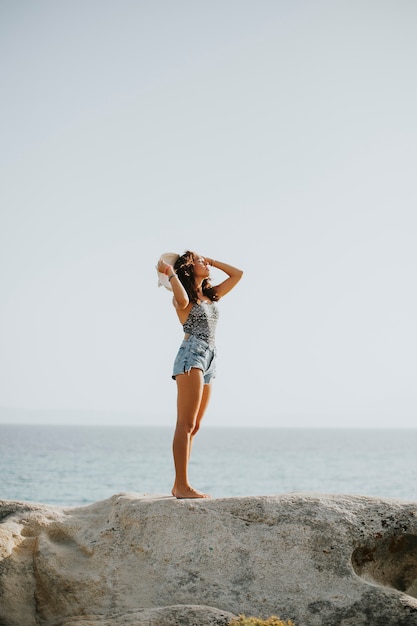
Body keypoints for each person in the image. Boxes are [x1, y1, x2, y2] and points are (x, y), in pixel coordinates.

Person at [157, 251, 243, 499]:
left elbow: (238, 274)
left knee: (194, 426)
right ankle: (181, 486)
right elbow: (182, 299)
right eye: (200, 260)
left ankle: (179, 485)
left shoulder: (211, 295)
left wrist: (211, 261)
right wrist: (169, 272)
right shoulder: (181, 298)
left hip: (210, 357)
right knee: (184, 423)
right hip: (191, 355)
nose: (205, 263)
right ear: (188, 268)